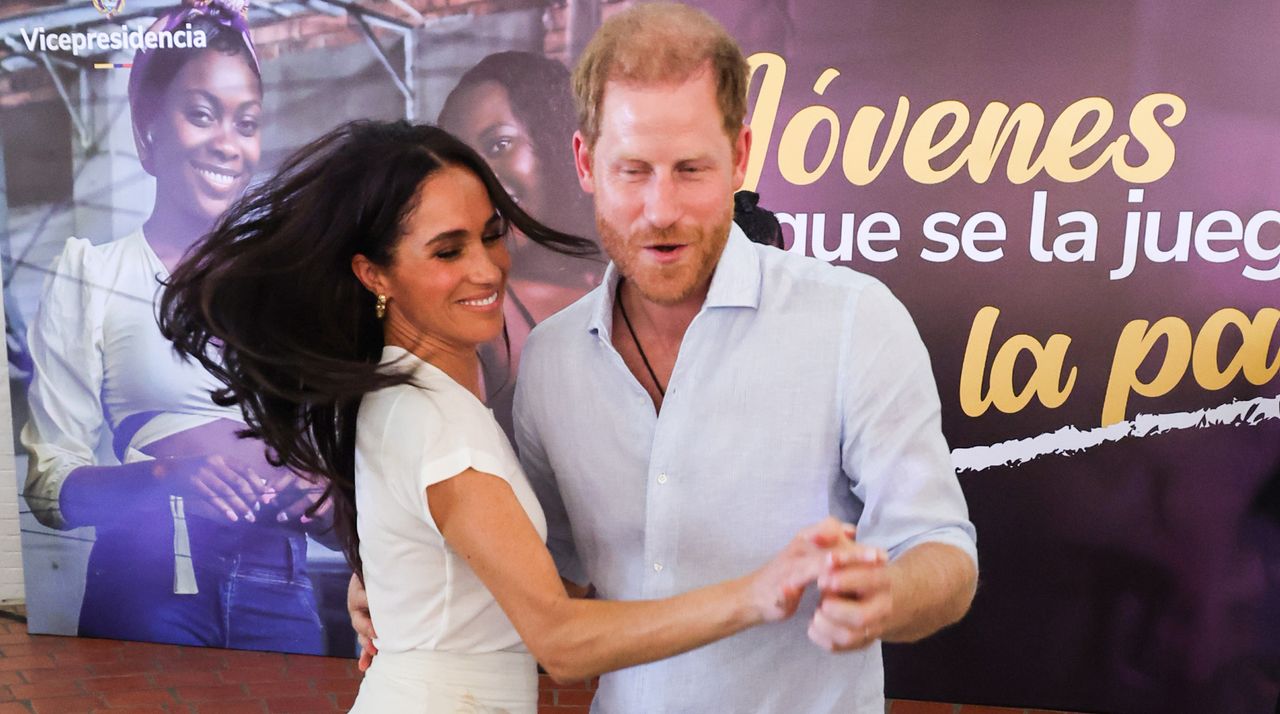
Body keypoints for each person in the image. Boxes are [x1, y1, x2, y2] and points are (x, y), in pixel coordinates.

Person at [347, 2, 980, 710]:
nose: (661, 209)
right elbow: (533, 564)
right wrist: (396, 579)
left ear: (740, 157)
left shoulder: (854, 322)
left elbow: (942, 553)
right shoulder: (552, 360)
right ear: (586, 163)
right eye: (633, 170)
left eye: (690, 169)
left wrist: (887, 593)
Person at [159, 119, 866, 713]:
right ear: (374, 273)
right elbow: (560, 641)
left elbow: (510, 579)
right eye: (447, 250)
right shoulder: (438, 424)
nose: (487, 270)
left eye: (490, 234)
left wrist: (393, 587)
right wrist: (759, 592)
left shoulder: (403, 393)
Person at [20, 0, 330, 653]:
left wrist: (328, 499)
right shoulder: (92, 274)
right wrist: (164, 481)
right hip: (149, 589)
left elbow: (332, 466)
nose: (228, 141)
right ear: (147, 131)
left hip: (283, 590)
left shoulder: (290, 287)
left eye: (246, 122)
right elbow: (51, 484)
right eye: (201, 114)